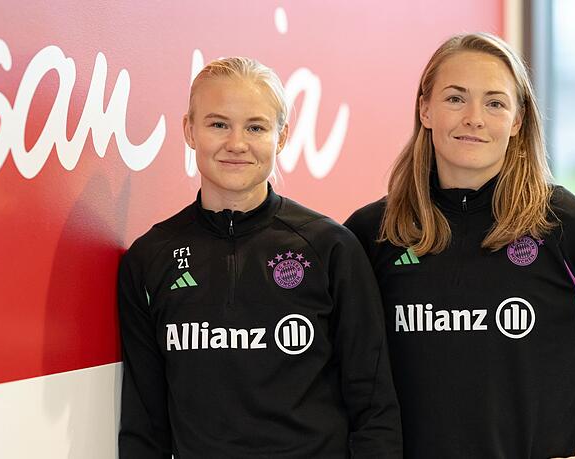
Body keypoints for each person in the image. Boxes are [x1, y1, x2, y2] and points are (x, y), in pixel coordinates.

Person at [344, 32, 575, 459]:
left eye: (495, 102)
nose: (474, 118)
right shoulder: (372, 233)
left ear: (517, 120)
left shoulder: (565, 225)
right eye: (456, 98)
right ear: (425, 109)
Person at [117, 56, 402, 458]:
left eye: (256, 127)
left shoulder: (330, 248)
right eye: (218, 124)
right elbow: (144, 425)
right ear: (190, 130)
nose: (237, 143)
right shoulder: (149, 259)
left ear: (281, 137)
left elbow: (374, 408)